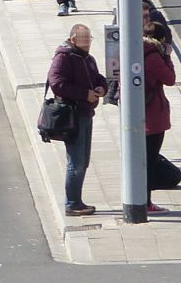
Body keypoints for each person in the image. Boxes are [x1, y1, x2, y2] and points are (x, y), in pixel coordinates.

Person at [47, 24, 108, 217]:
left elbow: (98, 78)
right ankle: (72, 203)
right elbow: (57, 84)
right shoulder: (64, 57)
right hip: (73, 116)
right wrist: (85, 94)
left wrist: (101, 88)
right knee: (77, 161)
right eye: (83, 40)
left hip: (86, 113)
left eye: (89, 40)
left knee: (83, 160)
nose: (87, 44)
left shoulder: (87, 58)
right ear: (72, 39)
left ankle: (76, 200)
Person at [142, 2, 176, 214]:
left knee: (146, 160)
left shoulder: (140, 51)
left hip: (146, 113)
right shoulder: (154, 57)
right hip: (152, 117)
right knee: (149, 161)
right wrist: (168, 58)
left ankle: (144, 200)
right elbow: (170, 79)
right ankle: (145, 202)